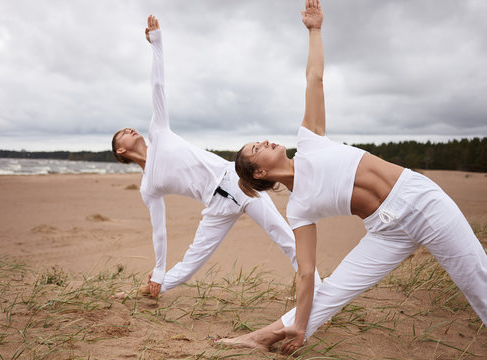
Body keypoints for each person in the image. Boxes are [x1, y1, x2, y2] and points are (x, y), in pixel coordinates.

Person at [218, 0, 487, 354]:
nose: (265, 141)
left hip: (420, 202)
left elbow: (314, 77)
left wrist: (315, 31)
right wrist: (301, 324)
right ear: (261, 172)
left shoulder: (309, 141)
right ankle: (265, 336)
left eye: (259, 141)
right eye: (257, 148)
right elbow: (306, 271)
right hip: (385, 232)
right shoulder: (298, 209)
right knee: (332, 290)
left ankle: (271, 334)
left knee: (476, 281)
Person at [112, 15, 322, 299]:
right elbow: (159, 230)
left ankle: (318, 292)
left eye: (129, 127)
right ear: (120, 151)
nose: (130, 129)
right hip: (215, 208)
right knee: (189, 264)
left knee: (283, 236)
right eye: (123, 133)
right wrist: (160, 268)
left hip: (237, 181)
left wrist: (157, 43)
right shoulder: (148, 186)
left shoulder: (158, 132)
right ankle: (151, 288)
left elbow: (158, 86)